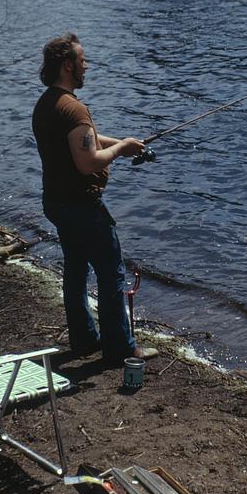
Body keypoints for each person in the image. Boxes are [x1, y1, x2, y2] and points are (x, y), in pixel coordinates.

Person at [32, 32, 158, 365]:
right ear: (68, 65)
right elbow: (87, 161)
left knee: (75, 269)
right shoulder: (74, 108)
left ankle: (85, 340)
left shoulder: (47, 103)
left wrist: (125, 143)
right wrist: (120, 150)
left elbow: (84, 139)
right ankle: (119, 349)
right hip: (81, 206)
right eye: (83, 60)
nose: (86, 66)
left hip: (56, 203)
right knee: (111, 272)